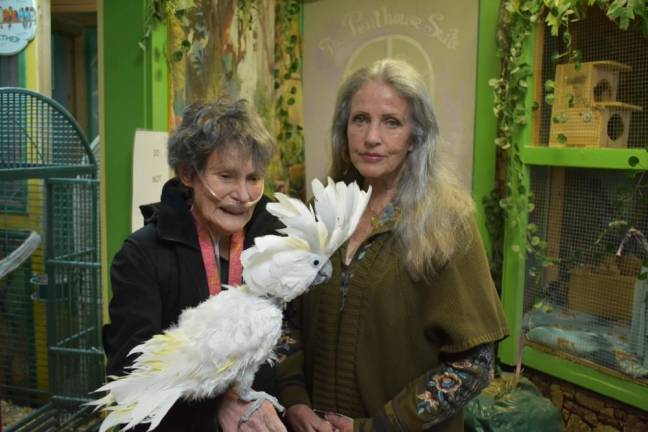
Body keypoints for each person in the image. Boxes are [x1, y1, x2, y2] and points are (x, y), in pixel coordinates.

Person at [277, 59, 509, 431]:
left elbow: (474, 364)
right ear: (344, 130)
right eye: (360, 120)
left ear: (416, 135)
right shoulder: (322, 210)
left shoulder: (446, 222)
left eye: (391, 122)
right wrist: (294, 401)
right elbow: (286, 321)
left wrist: (378, 427)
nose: (372, 137)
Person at [103, 99, 287, 432]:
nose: (243, 195)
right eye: (226, 176)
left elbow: (291, 342)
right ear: (188, 174)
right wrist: (216, 408)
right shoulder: (141, 256)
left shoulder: (275, 246)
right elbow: (131, 376)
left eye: (253, 178)